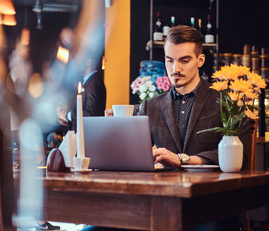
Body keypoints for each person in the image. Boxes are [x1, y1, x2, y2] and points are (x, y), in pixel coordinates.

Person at [98, 25, 250, 231]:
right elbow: (135, 159)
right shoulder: (149, 106)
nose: (175, 69)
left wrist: (183, 160)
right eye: (169, 60)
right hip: (158, 204)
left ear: (200, 60)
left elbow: (241, 158)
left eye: (184, 60)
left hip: (213, 206)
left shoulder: (228, 103)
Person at [57, 58, 107, 132]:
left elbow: (91, 115)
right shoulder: (87, 82)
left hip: (88, 138)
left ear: (89, 61)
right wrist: (67, 119)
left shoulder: (94, 83)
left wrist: (68, 115)